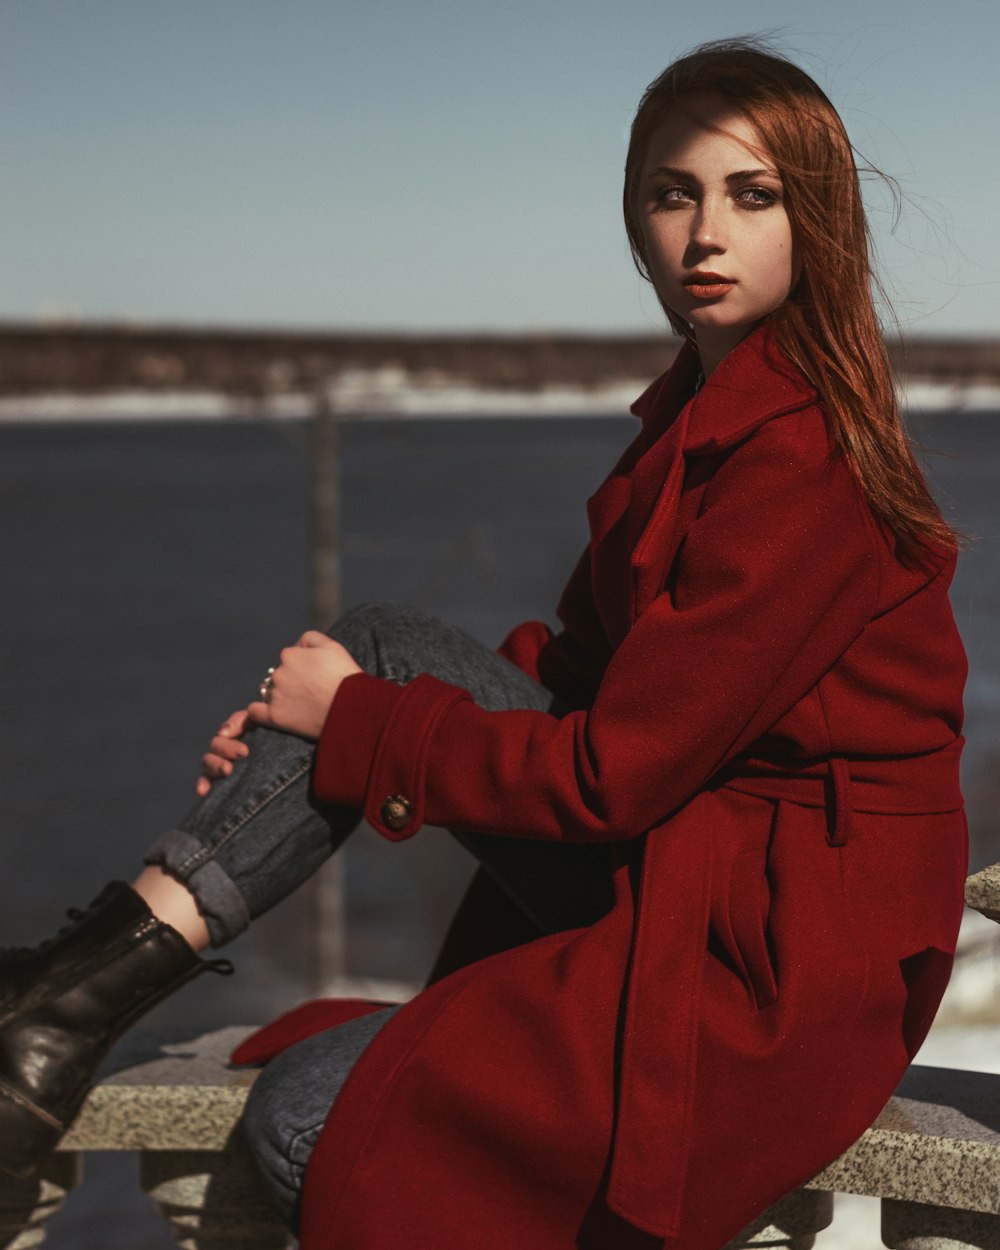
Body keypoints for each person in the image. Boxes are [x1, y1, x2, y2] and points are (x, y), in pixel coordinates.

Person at [0, 37, 967, 1250]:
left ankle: (60, 1002)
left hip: (774, 953)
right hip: (696, 863)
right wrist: (313, 726)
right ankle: (66, 1000)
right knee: (383, 643)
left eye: (751, 195)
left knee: (308, 1118)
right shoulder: (702, 421)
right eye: (673, 194)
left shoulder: (802, 461)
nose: (704, 234)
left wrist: (352, 724)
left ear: (811, 219)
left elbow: (616, 769)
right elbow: (579, 675)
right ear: (636, 219)